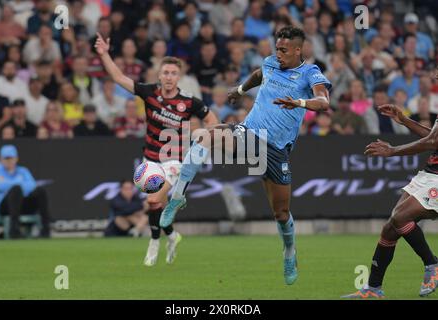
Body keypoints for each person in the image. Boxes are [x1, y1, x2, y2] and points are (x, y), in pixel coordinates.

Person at [161, 26, 331, 285]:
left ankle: (289, 252)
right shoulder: (271, 63)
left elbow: (324, 102)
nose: (279, 54)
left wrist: (300, 103)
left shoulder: (310, 73)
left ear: (298, 50)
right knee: (206, 136)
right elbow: (259, 74)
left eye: (284, 50)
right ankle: (177, 197)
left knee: (281, 214)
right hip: (250, 133)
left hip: (276, 151)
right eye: (277, 48)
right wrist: (240, 90)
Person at [95, 33, 218, 266]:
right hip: (150, 158)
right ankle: (171, 236)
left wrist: (203, 139)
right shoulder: (149, 92)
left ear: (178, 76)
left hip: (175, 160)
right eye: (166, 73)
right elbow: (118, 77)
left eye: (173, 73)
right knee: (154, 205)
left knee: (153, 200)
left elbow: (212, 120)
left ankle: (153, 242)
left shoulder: (190, 102)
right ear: (159, 75)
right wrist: (104, 54)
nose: (169, 77)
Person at [342, 68, 438, 299]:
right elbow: (433, 135)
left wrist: (393, 150)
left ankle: (432, 264)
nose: (434, 73)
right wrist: (404, 120)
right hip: (430, 172)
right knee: (390, 228)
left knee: (399, 217)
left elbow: (433, 140)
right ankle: (373, 288)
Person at [0, 145, 51, 238]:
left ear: (16, 158)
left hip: (23, 204)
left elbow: (32, 185)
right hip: (4, 207)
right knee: (16, 190)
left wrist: (10, 183)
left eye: (11, 158)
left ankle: (45, 229)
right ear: (1, 159)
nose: (9, 161)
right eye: (6, 158)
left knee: (40, 191)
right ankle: (14, 230)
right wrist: (19, 183)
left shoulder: (23, 171)